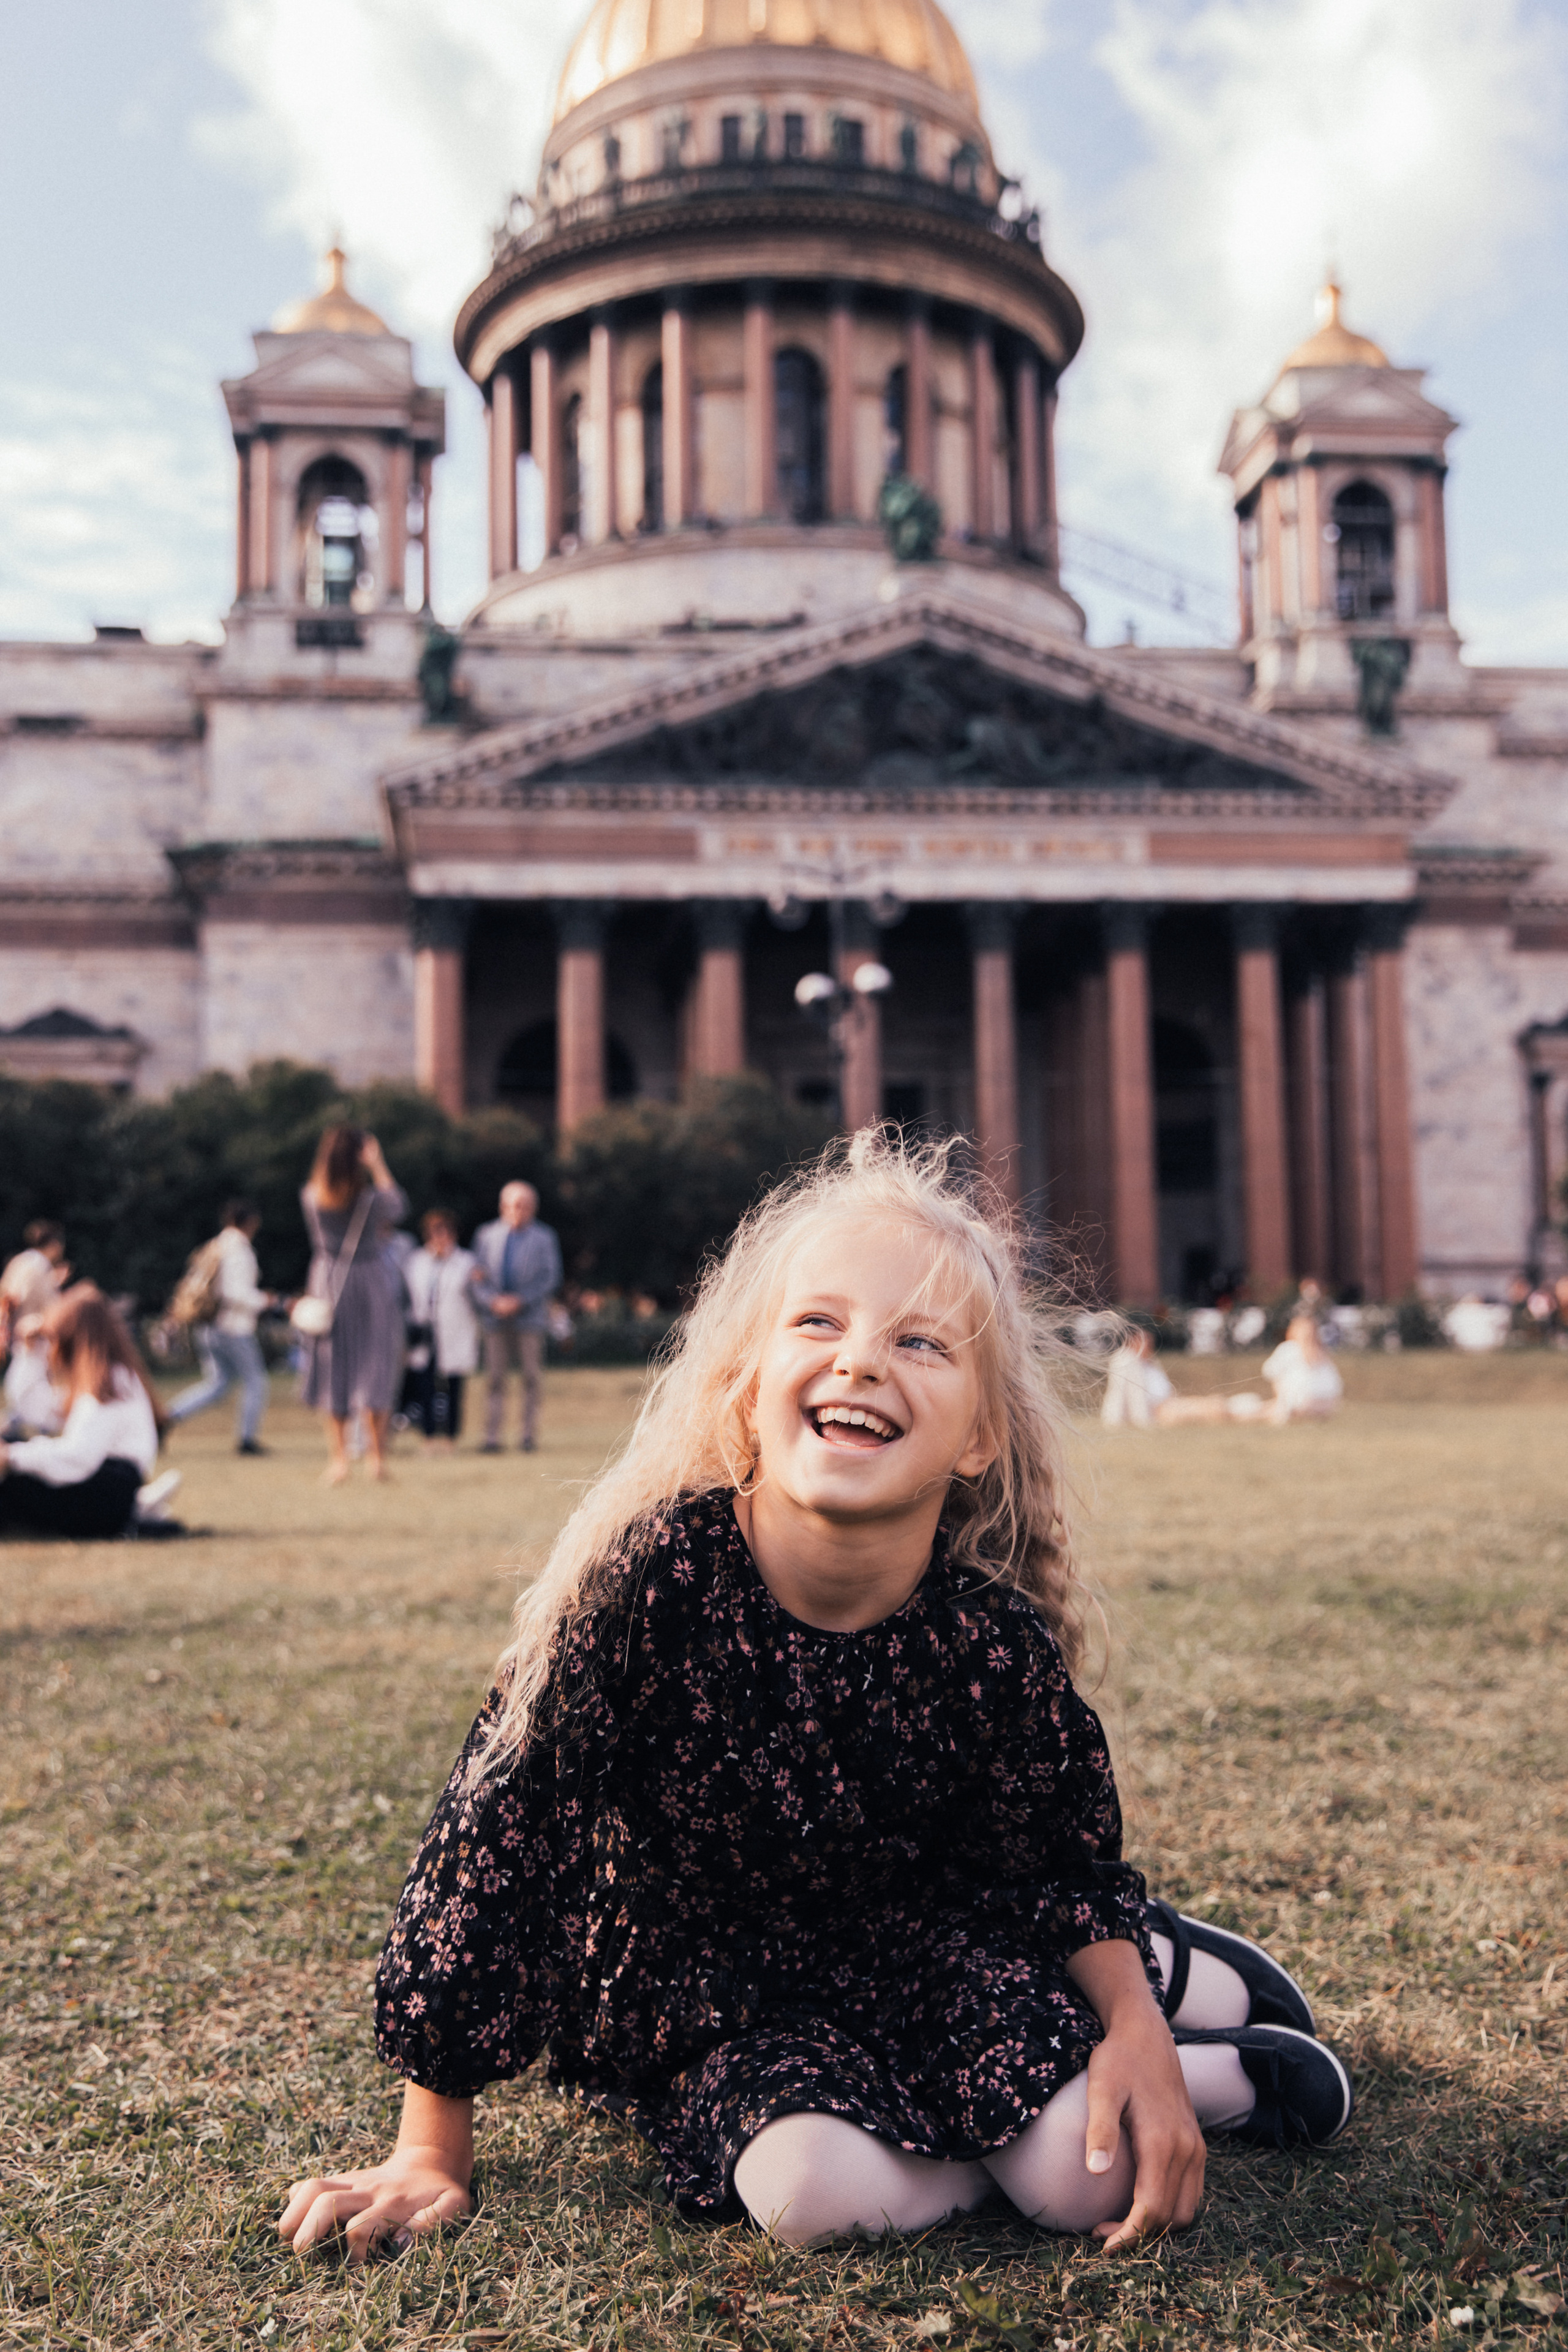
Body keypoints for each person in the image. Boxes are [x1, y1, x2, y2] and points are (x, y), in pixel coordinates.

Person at [279, 1136, 1349, 2267]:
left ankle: (1196, 2033)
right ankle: (1144, 2029)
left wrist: (1134, 2034)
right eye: (818, 1324)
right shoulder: (656, 1583)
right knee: (810, 2196)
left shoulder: (985, 1639)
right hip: (719, 1991)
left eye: (921, 1342)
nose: (862, 1362)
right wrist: (430, 2145)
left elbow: (1057, 1865)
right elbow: (500, 1830)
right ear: (745, 1385)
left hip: (921, 1948)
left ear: (982, 1436)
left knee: (1093, 2185)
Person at [0, 1286, 165, 1539]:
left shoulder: (110, 1384)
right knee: (13, 1448)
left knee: (12, 1473)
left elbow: (77, 1458)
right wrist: (28, 1352)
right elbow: (33, 1409)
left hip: (107, 1492)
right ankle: (139, 1511)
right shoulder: (106, 1379)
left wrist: (12, 1456)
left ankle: (134, 1515)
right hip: (107, 1488)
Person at [298, 1128, 409, 1484]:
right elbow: (399, 1205)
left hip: (328, 1281)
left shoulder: (311, 1196)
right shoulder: (370, 1199)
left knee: (334, 1366)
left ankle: (339, 1460)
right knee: (375, 1364)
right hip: (370, 1280)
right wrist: (378, 1164)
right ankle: (377, 1458)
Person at [165, 1201, 275, 1455]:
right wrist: (265, 1301)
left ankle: (167, 1417)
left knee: (218, 1384)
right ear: (250, 1222)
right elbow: (234, 1292)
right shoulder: (239, 1250)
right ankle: (247, 1440)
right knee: (256, 1382)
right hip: (232, 1327)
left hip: (209, 1326)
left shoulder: (216, 1246)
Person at [472, 1182, 562, 1453]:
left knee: (531, 1379)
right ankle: (492, 1437)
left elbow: (551, 1277)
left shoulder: (544, 1238)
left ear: (533, 1208)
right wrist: (493, 1301)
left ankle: (527, 1436)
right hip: (495, 1319)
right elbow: (476, 1277)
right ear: (503, 1206)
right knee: (495, 1379)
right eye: (513, 1204)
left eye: (523, 1205)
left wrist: (521, 1300)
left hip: (530, 1319)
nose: (518, 1210)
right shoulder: (486, 1235)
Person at [404, 1210, 481, 1447]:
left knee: (454, 1386)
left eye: (446, 1233)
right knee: (425, 1385)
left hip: (455, 1329)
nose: (441, 1239)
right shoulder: (416, 1261)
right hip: (424, 1330)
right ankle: (428, 1436)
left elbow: (476, 1295)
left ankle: (451, 1438)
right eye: (436, 1234)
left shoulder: (466, 1262)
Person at [0, 1220, 69, 1356]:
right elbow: (50, 1306)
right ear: (55, 1244)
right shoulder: (41, 1266)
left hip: (16, 1334)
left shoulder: (19, 1261)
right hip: (33, 1339)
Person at [1260, 1316, 1344, 1425]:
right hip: (1328, 1404)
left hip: (1304, 1402)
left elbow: (1269, 1372)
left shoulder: (1290, 1348)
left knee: (1266, 1409)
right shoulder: (1322, 1351)